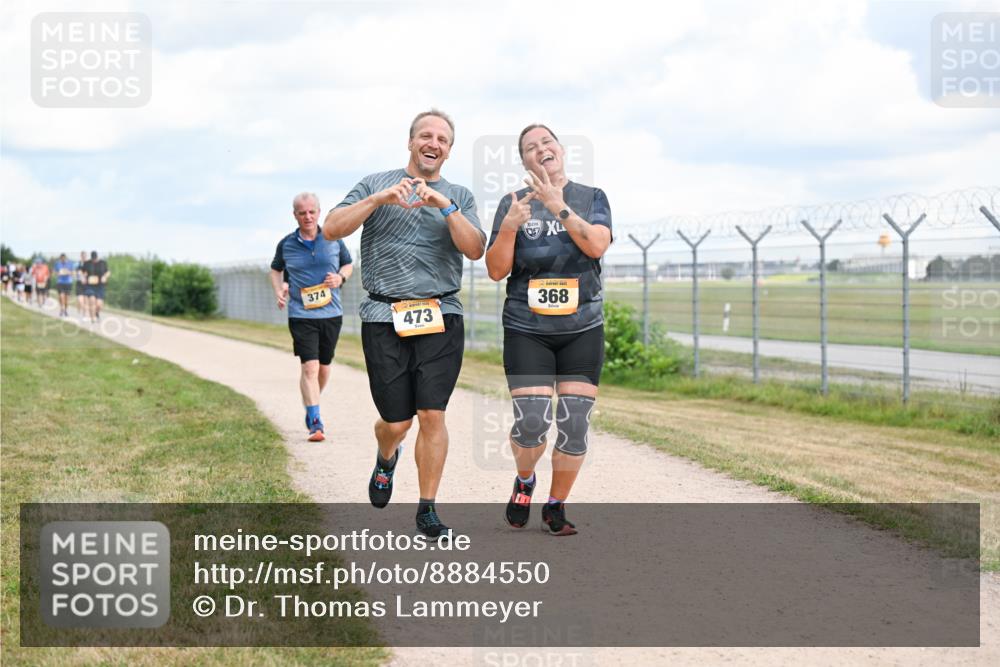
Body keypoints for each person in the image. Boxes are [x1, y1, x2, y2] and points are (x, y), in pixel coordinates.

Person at [323, 109, 485, 540]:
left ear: (449, 150)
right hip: (383, 315)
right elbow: (330, 229)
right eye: (425, 136)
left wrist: (445, 206)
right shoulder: (375, 183)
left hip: (441, 313)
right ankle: (386, 454)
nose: (433, 143)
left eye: (443, 139)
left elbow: (474, 250)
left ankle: (427, 509)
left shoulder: (460, 195)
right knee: (397, 421)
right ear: (411, 142)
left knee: (432, 413)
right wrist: (379, 201)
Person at [484, 124, 612, 536]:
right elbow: (495, 270)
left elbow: (596, 245)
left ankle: (556, 506)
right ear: (524, 161)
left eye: (547, 143)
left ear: (560, 150)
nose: (541, 150)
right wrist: (509, 226)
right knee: (532, 421)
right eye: (530, 148)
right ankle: (525, 481)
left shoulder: (591, 198)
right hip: (527, 328)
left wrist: (558, 206)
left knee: (575, 423)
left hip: (582, 327)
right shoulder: (511, 203)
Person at [270, 192, 354, 442]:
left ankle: (311, 401)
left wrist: (340, 278)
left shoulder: (333, 238)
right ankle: (315, 421)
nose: (307, 216)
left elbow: (348, 264)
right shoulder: (287, 244)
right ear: (294, 215)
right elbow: (276, 270)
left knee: (323, 369)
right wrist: (280, 289)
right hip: (301, 313)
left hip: (331, 313)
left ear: (318, 212)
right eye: (301, 212)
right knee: (310, 366)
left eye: (311, 212)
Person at [83, 251, 109, 322]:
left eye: (95, 259)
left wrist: (104, 277)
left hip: (100, 286)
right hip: (90, 286)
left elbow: (108, 272)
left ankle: (96, 313)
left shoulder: (103, 263)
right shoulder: (87, 263)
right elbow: (83, 271)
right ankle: (92, 319)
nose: (94, 260)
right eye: (92, 259)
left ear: (97, 257)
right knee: (92, 301)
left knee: (99, 305)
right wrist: (84, 277)